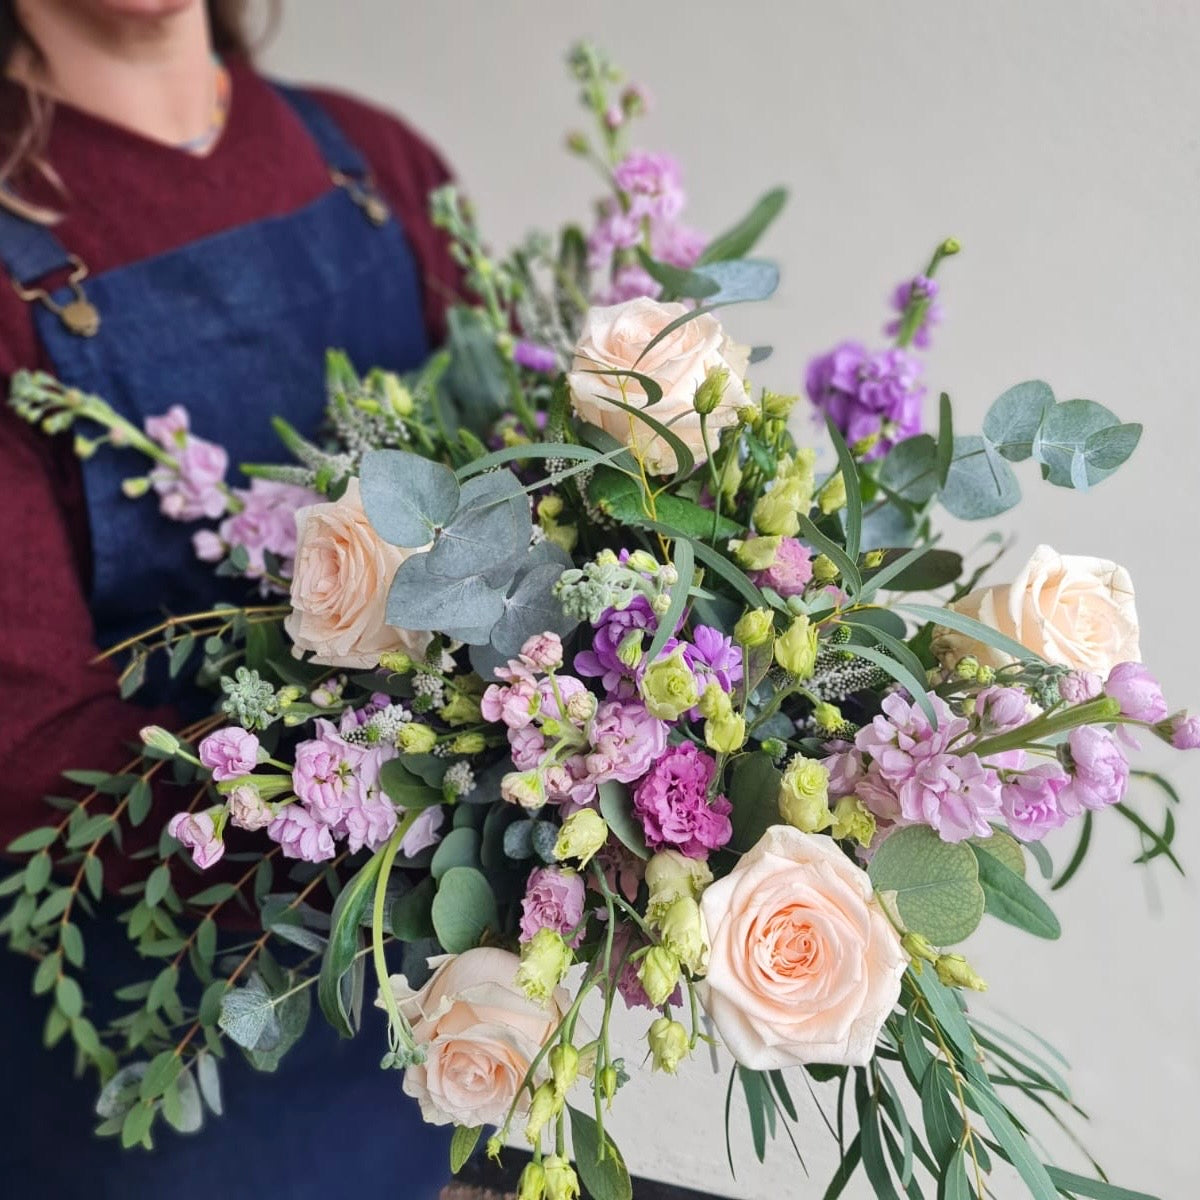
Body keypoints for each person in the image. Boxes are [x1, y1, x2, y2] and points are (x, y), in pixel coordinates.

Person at [0, 2, 461, 1195]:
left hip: (414, 1031)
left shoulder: (382, 166)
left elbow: (529, 534)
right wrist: (430, 791)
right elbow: (30, 751)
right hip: (145, 1060)